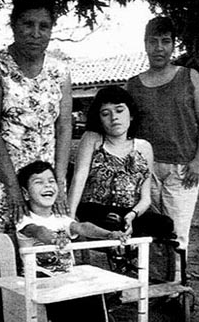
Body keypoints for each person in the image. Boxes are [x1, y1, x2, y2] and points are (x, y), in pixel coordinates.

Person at [0, 0, 73, 282]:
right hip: (1, 178)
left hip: (41, 181)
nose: (35, 33)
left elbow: (64, 127)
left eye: (44, 26)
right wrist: (13, 188)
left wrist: (59, 182)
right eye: (27, 24)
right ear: (13, 25)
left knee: (47, 253)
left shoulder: (60, 71)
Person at [16, 160, 125, 322]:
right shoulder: (25, 219)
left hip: (66, 282)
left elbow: (82, 227)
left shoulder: (62, 219)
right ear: (26, 193)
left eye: (51, 181)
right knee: (71, 299)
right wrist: (54, 238)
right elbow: (38, 231)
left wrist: (109, 235)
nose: (47, 186)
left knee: (93, 295)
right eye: (39, 182)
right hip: (41, 284)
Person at [127, 16, 199, 281]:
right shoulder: (134, 85)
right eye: (153, 42)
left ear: (173, 45)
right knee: (149, 231)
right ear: (145, 45)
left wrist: (198, 160)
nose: (159, 48)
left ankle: (177, 286)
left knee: (177, 231)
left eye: (165, 41)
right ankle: (153, 285)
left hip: (182, 169)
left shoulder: (190, 77)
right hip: (145, 171)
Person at [68, 85, 174, 244]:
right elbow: (78, 179)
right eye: (106, 113)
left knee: (165, 224)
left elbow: (146, 199)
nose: (114, 117)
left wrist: (131, 216)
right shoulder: (92, 139)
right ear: (99, 119)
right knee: (111, 222)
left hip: (128, 212)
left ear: (131, 115)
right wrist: (69, 219)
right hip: (95, 211)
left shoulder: (144, 147)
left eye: (119, 110)